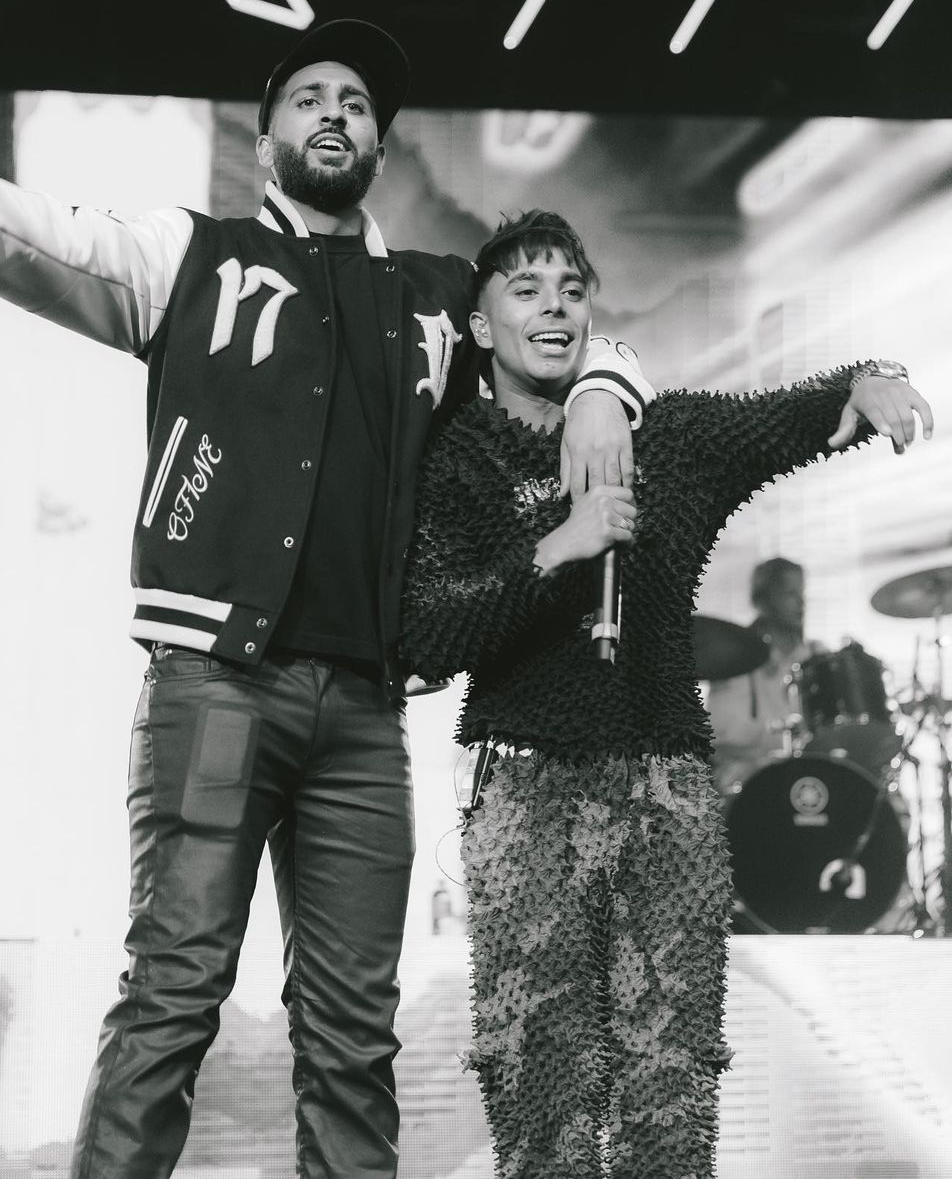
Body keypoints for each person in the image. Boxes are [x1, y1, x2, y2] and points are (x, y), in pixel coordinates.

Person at [0, 21, 654, 1179]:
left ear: (378, 145)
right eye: (310, 96)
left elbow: (573, 329)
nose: (336, 112)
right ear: (266, 134)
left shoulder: (435, 297)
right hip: (215, 691)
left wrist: (600, 390)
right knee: (173, 994)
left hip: (365, 720)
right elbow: (45, 239)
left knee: (354, 1035)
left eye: (357, 103)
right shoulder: (193, 255)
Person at [399, 209, 932, 1179]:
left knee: (670, 1089)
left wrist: (868, 376)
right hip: (524, 794)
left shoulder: (671, 436)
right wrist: (557, 550)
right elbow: (428, 633)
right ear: (481, 325)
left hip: (667, 792)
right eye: (526, 289)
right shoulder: (457, 456)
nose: (553, 307)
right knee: (540, 1087)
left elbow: (790, 415)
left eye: (571, 289)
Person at [706, 557, 822, 795]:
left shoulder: (817, 658)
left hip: (806, 784)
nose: (801, 602)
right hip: (748, 788)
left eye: (802, 593)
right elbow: (719, 743)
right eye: (790, 593)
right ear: (763, 600)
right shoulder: (731, 659)